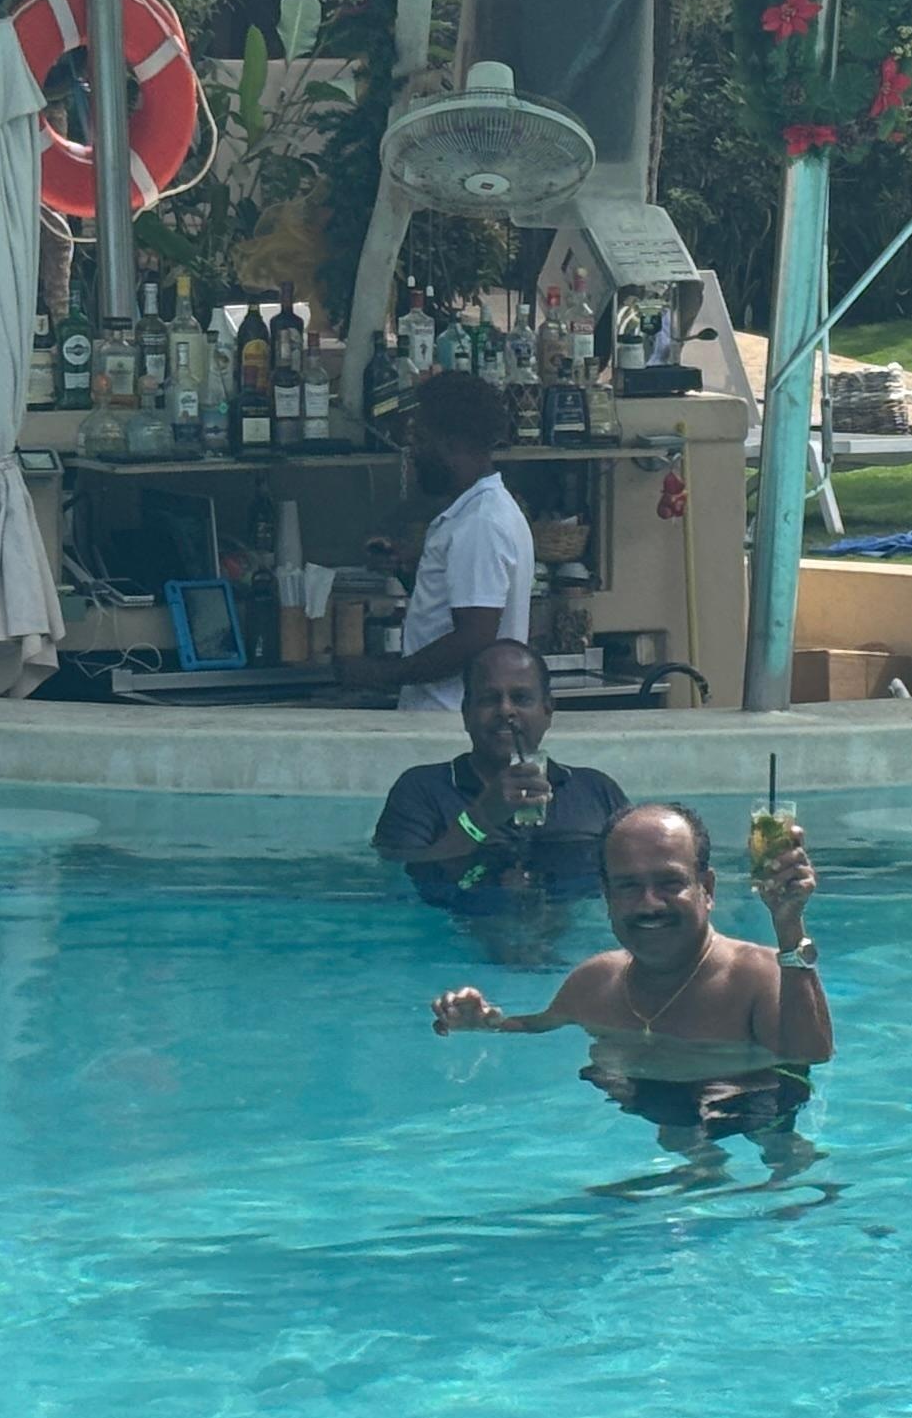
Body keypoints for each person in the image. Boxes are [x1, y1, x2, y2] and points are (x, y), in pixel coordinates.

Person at [431, 802, 828, 1182]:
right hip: (651, 1100)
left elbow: (810, 1052)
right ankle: (700, 1163)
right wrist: (485, 1024)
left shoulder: (757, 974)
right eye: (628, 886)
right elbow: (538, 1027)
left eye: (669, 883)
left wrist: (789, 926)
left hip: (755, 1101)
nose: (649, 904)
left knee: (786, 1167)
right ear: (608, 897)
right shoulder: (596, 981)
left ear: (706, 888)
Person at [371, 642, 632, 922]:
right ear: (466, 713)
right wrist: (481, 818)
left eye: (521, 698)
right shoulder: (421, 790)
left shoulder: (596, 792)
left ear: (547, 710)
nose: (506, 710)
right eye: (489, 699)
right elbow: (398, 884)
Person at [337, 367, 526, 710]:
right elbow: (453, 613)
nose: (413, 454)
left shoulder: (480, 524)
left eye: (420, 441)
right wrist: (407, 571)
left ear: (453, 444)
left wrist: (382, 673)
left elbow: (474, 640)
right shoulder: (473, 512)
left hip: (451, 719)